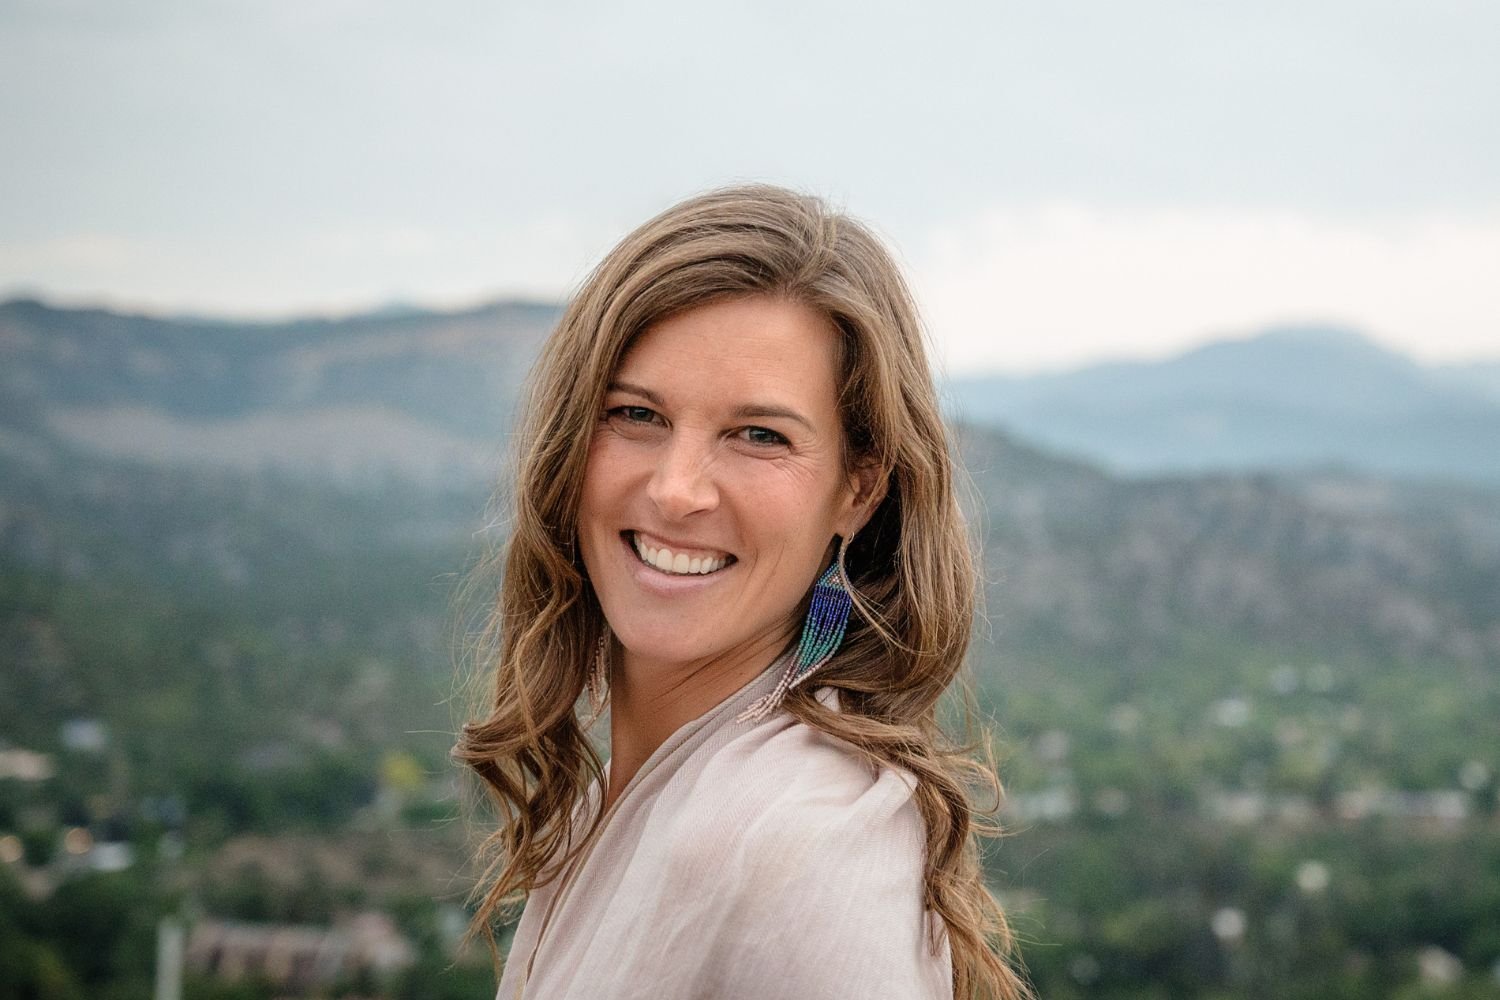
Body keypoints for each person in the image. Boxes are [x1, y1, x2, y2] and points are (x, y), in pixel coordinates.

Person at [453, 184, 1029, 1000]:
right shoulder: (614, 798)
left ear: (858, 491)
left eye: (760, 435)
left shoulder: (803, 843)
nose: (678, 490)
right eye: (635, 414)